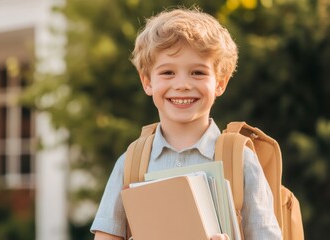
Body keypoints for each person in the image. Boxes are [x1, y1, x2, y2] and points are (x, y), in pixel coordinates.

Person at [90, 7, 282, 240]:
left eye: (198, 73)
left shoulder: (239, 159)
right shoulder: (131, 162)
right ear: (147, 82)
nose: (182, 84)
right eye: (168, 73)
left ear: (220, 83)